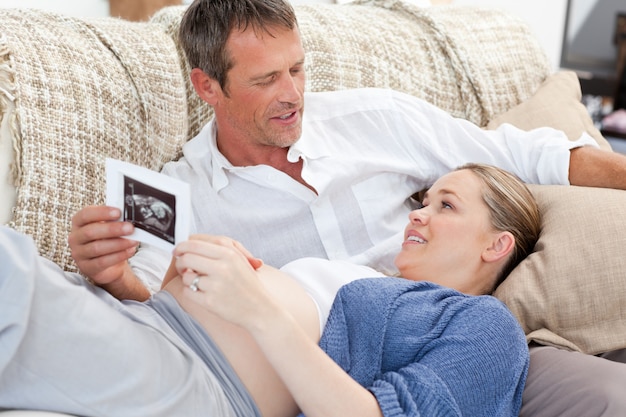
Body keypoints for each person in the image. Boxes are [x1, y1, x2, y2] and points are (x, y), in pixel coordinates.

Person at [67, 1, 626, 416]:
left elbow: (528, 155)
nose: (293, 93)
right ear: (207, 86)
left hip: (445, 333)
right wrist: (111, 275)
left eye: (298, 69)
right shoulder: (176, 193)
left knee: (606, 395)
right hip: (312, 369)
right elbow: (155, 312)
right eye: (266, 79)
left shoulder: (374, 118)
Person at [1, 163, 531, 416]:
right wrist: (121, 282)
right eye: (424, 200)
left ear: (496, 245)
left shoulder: (487, 329)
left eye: (447, 205)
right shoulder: (366, 277)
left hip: (201, 381)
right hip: (153, 333)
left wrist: (257, 308)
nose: (419, 213)